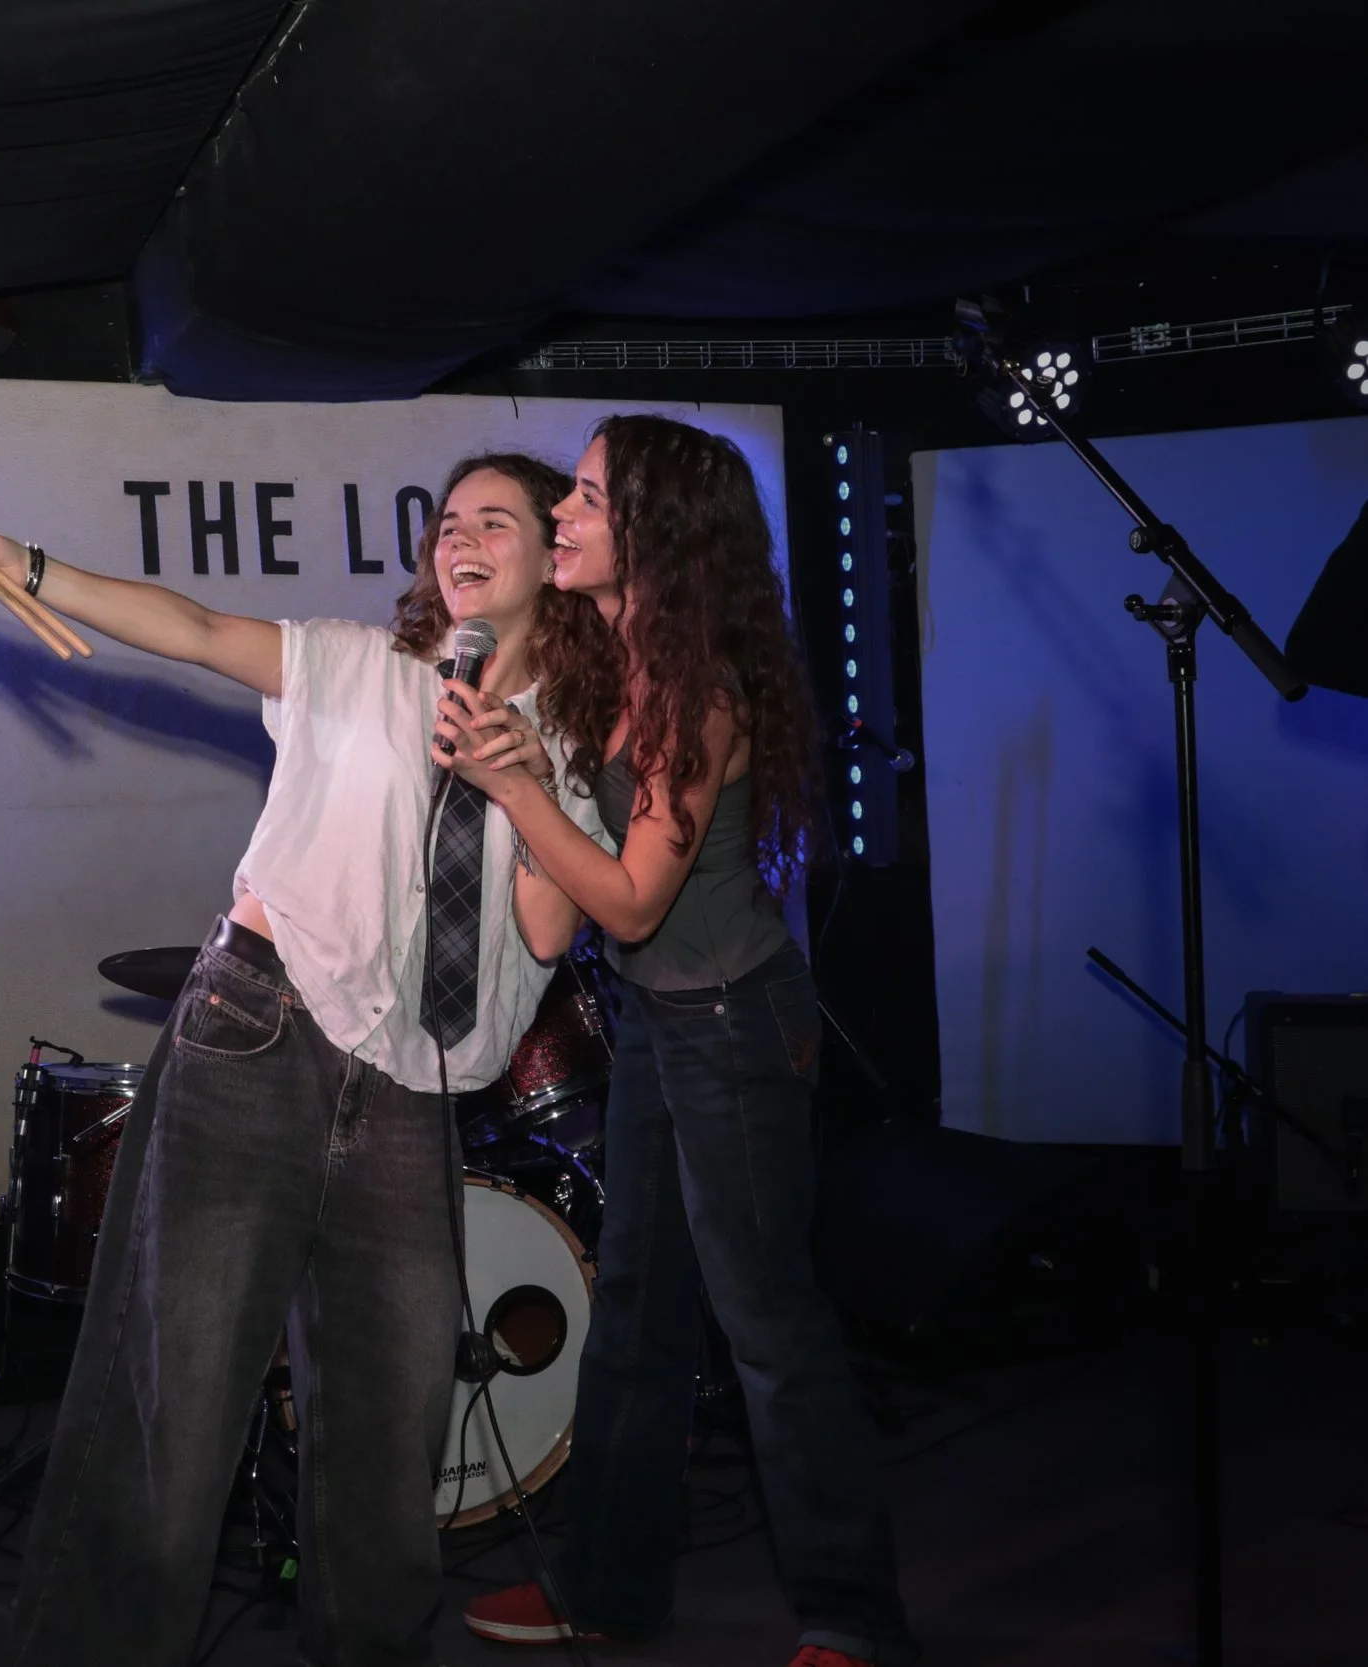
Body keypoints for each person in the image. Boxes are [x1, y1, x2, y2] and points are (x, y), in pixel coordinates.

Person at [0, 453, 610, 1667]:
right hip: (262, 1031)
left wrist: (522, 777)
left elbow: (548, 929)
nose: (461, 539)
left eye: (496, 520)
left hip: (412, 1090)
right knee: (174, 1405)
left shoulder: (579, 741)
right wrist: (24, 566)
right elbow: (189, 625)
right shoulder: (358, 664)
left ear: (554, 558)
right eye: (447, 523)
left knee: (392, 1435)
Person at [438, 416, 912, 1667]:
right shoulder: (623, 652)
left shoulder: (693, 686)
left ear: (653, 528)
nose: (560, 518)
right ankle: (608, 1581)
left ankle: (852, 1621)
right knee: (639, 1306)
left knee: (768, 1323)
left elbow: (634, 898)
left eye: (586, 497)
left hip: (731, 1022)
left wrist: (518, 787)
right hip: (653, 1015)